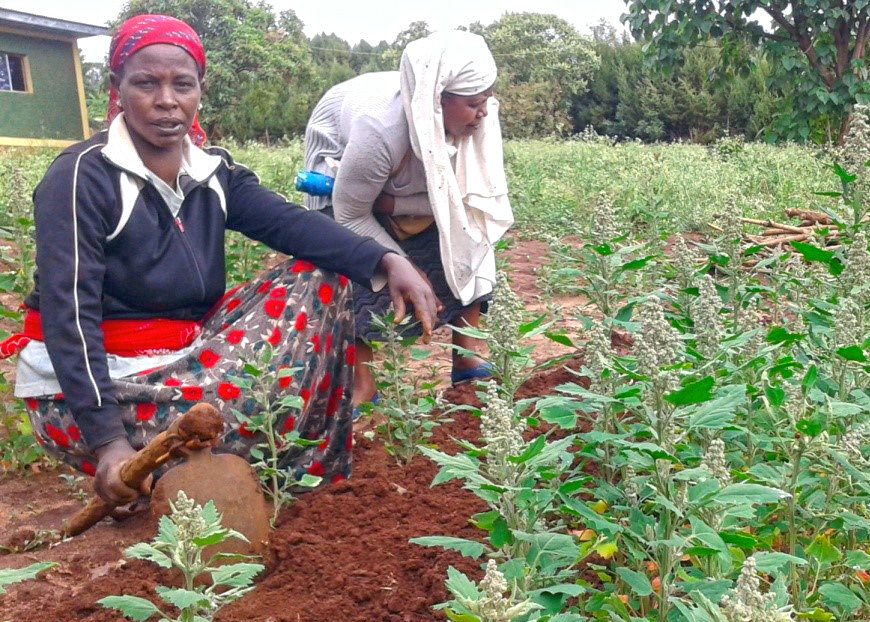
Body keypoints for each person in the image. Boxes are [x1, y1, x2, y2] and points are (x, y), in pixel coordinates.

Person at [3, 14, 439, 510]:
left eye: (182, 85)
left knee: (320, 275)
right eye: (146, 83)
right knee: (236, 413)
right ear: (117, 88)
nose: (166, 100)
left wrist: (386, 259)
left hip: (183, 364)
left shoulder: (214, 171)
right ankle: (208, 459)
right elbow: (68, 314)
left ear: (199, 90)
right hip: (91, 397)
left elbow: (292, 224)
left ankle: (290, 474)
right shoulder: (83, 176)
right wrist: (109, 444)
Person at [303, 31, 514, 410]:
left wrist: (394, 205)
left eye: (486, 101)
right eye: (472, 104)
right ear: (435, 102)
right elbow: (350, 213)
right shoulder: (379, 132)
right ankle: (362, 382)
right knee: (347, 258)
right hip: (343, 177)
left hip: (397, 191)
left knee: (472, 234)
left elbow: (466, 196)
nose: (483, 113)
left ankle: (465, 356)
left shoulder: (478, 118)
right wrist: (402, 265)